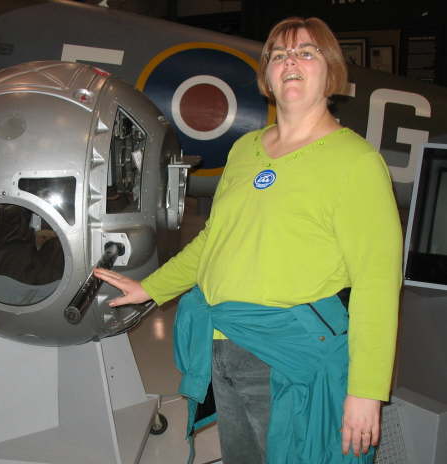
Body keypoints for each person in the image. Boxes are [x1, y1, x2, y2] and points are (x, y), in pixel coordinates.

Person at [94, 16, 402, 464]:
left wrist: (366, 391)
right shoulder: (246, 150)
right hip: (222, 344)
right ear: (267, 78)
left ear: (331, 71)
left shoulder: (356, 163)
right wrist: (152, 288)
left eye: (306, 52)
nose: (290, 61)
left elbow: (377, 284)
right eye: (279, 55)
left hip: (288, 357)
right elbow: (214, 241)